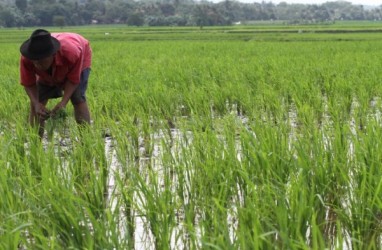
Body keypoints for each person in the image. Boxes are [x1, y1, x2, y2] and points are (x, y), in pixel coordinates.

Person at [19, 29, 92, 137]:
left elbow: (73, 80)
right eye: (34, 60)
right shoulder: (28, 57)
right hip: (52, 66)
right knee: (37, 104)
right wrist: (36, 104)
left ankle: (86, 140)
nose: (37, 64)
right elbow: (28, 83)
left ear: (53, 54)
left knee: (78, 98)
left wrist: (63, 102)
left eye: (41, 61)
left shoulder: (71, 53)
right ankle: (35, 142)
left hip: (80, 53)